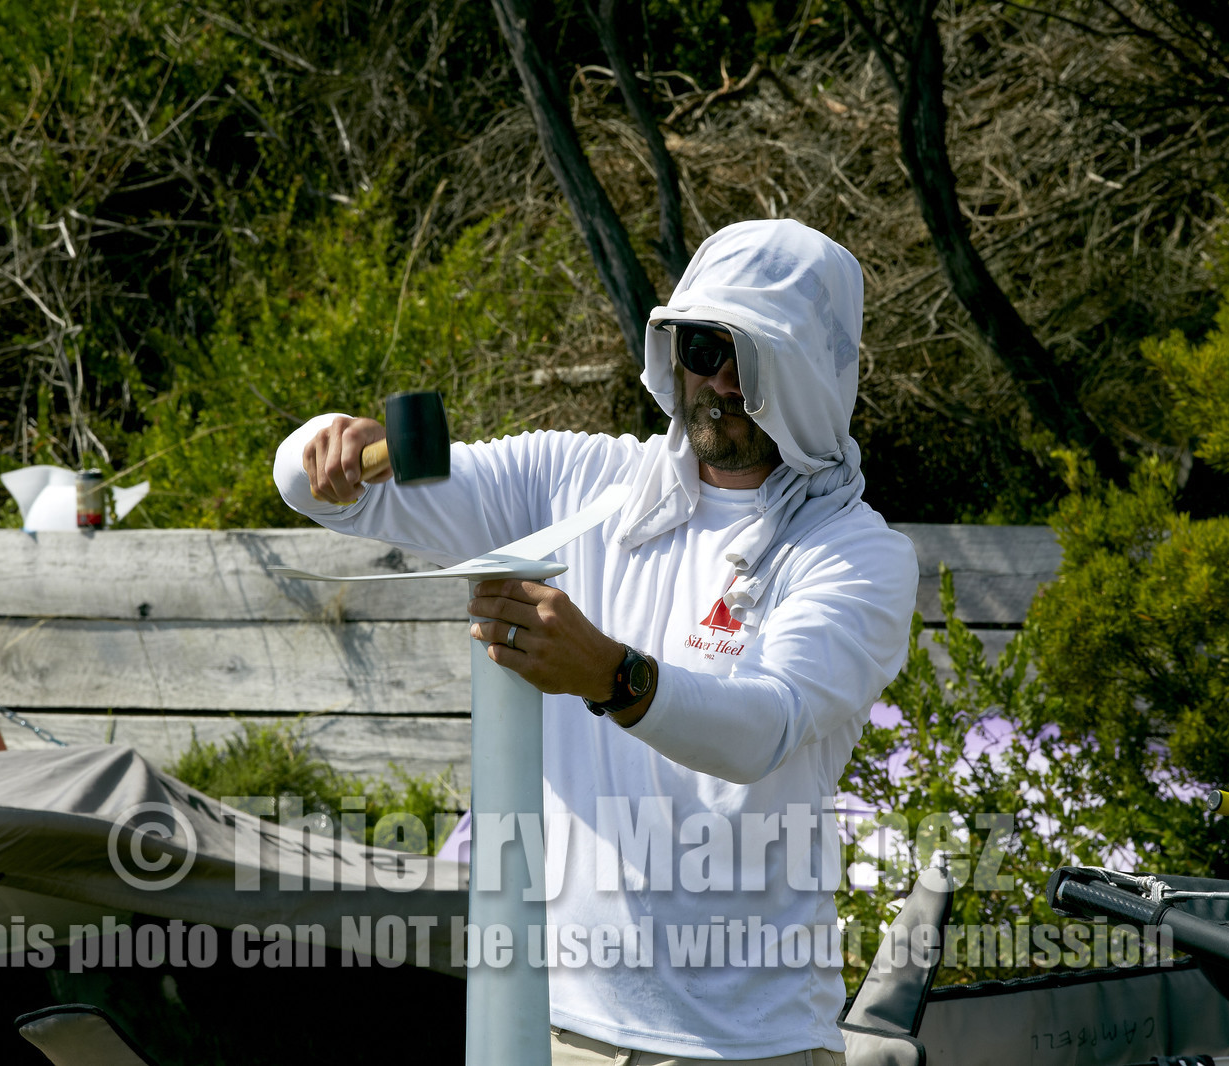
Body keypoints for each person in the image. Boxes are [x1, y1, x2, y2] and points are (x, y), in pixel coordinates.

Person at [274, 219, 917, 1064]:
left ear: (811, 372)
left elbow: (765, 727)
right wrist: (331, 442)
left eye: (746, 355)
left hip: (742, 1046)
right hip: (550, 1026)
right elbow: (320, 495)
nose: (716, 379)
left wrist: (611, 677)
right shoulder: (581, 481)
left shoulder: (856, 552)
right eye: (699, 346)